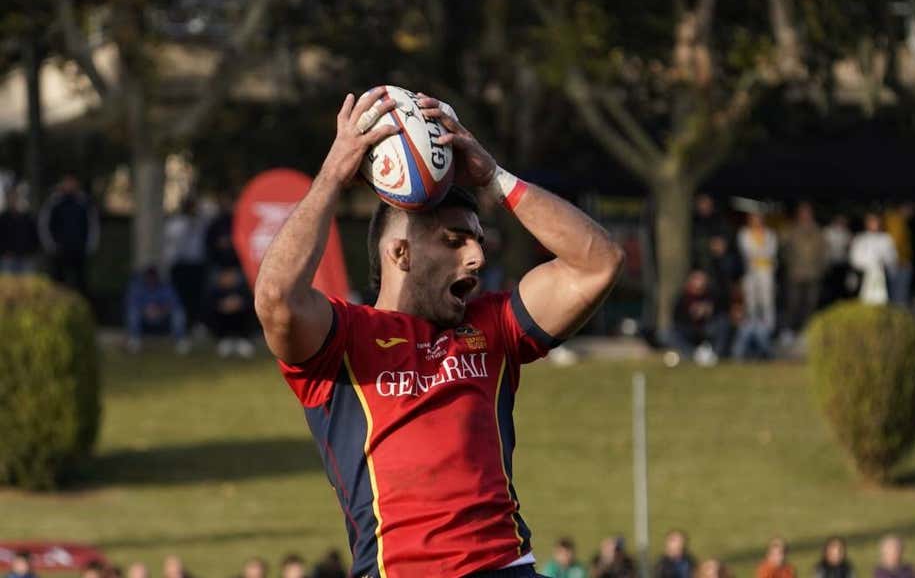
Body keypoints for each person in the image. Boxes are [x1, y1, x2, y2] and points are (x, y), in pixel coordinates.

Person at [253, 90, 624, 578]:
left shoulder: (492, 327)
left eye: (478, 240)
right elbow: (277, 299)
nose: (476, 257)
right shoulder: (345, 339)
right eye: (454, 241)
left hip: (506, 566)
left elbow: (599, 262)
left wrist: (494, 177)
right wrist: (334, 175)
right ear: (400, 255)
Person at [38, 174, 100, 297]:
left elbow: (93, 225)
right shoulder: (54, 202)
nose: (70, 185)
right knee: (58, 282)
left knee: (81, 282)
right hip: (59, 249)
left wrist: (90, 245)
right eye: (67, 182)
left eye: (72, 182)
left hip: (79, 249)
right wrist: (50, 245)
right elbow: (44, 225)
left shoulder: (84, 203)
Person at [163, 198, 209, 329]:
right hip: (181, 264)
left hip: (197, 264)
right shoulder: (176, 224)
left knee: (196, 296)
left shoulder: (201, 223)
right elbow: (173, 245)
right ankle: (181, 324)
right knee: (180, 295)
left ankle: (196, 322)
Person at [782, 202, 826, 333]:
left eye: (807, 212)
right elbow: (785, 253)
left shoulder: (818, 231)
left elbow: (823, 254)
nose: (805, 215)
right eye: (802, 212)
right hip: (796, 274)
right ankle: (790, 330)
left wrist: (820, 270)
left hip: (813, 274)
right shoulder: (791, 231)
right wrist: (791, 269)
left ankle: (808, 330)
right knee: (793, 303)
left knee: (811, 303)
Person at [125, 267, 190, 354]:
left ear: (157, 277)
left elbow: (174, 303)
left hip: (163, 318)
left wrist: (160, 310)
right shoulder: (137, 287)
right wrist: (146, 310)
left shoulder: (166, 287)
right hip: (145, 319)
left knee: (178, 312)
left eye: (153, 277)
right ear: (145, 278)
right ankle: (134, 340)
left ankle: (180, 341)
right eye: (149, 277)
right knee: (132, 311)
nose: (151, 280)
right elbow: (133, 303)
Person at [669, 269, 730, 363]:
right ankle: (694, 355)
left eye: (702, 280)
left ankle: (716, 355)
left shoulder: (713, 294)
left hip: (708, 328)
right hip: (689, 330)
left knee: (723, 324)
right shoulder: (683, 297)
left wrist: (709, 311)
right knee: (668, 334)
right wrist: (691, 315)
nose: (699, 283)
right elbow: (677, 319)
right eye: (696, 280)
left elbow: (723, 311)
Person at [738, 210, 779, 334]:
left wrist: (759, 254)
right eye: (753, 218)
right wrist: (760, 253)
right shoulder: (744, 234)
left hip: (766, 271)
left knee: (767, 300)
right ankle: (752, 327)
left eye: (758, 218)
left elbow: (771, 252)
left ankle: (769, 329)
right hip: (750, 271)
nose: (756, 221)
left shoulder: (770, 234)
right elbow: (747, 251)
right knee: (751, 299)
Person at [850, 212, 898, 306]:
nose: (873, 224)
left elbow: (892, 257)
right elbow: (854, 259)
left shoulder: (886, 238)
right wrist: (869, 263)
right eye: (870, 221)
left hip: (882, 276)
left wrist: (882, 261)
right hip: (864, 276)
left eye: (875, 221)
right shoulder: (860, 239)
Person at [208, 266, 255, 358]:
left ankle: (243, 340)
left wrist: (240, 304)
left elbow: (250, 304)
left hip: (243, 330)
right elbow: (209, 309)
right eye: (225, 276)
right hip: (222, 332)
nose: (228, 278)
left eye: (231, 275)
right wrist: (222, 306)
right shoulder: (214, 292)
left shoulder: (243, 289)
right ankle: (225, 340)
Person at [0, 187, 39, 274]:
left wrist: (32, 251)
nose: (13, 200)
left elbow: (34, 235)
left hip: (26, 257)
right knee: (7, 285)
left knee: (28, 283)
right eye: (11, 197)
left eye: (15, 197)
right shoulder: (2, 218)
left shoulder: (28, 217)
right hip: (7, 258)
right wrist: (3, 251)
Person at [883, 203, 915, 305]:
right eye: (910, 210)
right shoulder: (896, 221)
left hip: (897, 262)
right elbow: (895, 243)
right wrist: (899, 260)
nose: (912, 213)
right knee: (899, 296)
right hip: (899, 263)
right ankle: (898, 318)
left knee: (895, 294)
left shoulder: (895, 221)